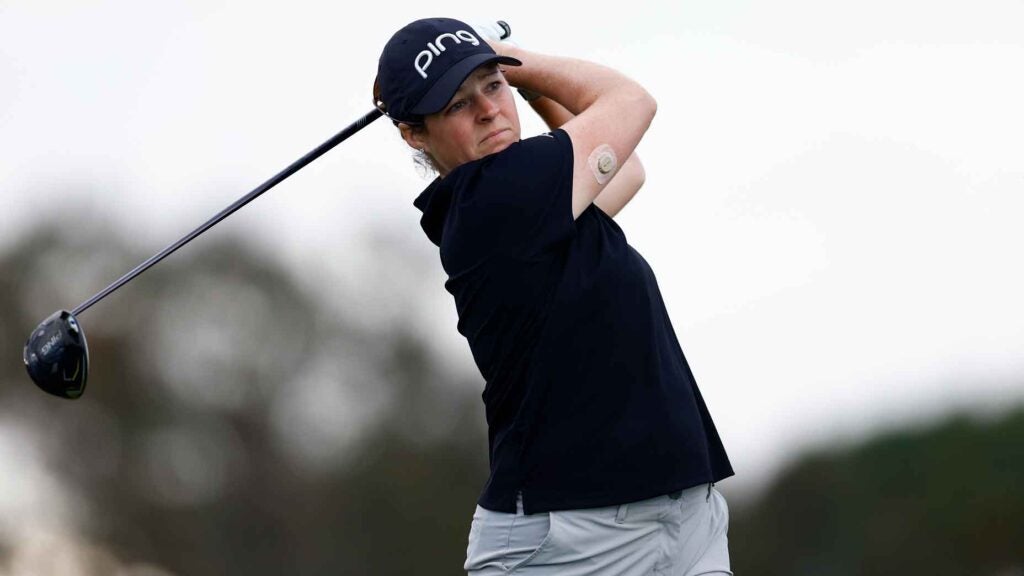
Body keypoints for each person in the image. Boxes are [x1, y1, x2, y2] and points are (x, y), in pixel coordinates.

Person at [373, 18, 735, 575]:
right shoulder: (498, 195)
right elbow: (629, 101)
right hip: (571, 541)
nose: (489, 109)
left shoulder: (536, 198)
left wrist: (521, 83)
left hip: (683, 519)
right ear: (413, 133)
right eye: (455, 104)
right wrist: (513, 61)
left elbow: (626, 171)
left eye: (492, 86)